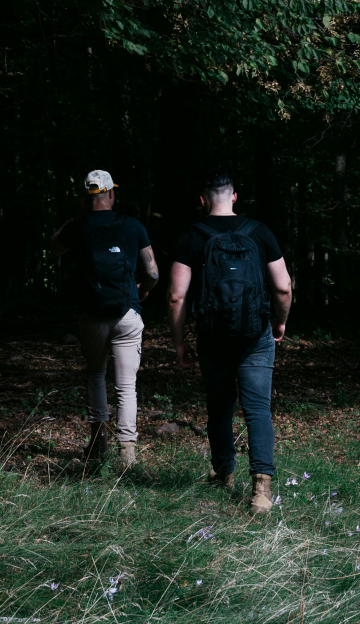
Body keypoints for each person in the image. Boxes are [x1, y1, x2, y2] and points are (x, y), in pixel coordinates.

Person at [166, 169, 292, 513]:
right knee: (257, 409)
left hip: (212, 336)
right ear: (234, 196)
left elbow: (177, 297)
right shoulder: (260, 232)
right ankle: (262, 491)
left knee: (220, 406)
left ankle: (224, 472)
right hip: (255, 335)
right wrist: (278, 323)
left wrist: (179, 342)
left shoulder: (192, 236)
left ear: (202, 200)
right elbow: (282, 287)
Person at [50, 170, 158, 469]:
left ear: (86, 198)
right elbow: (152, 273)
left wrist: (76, 218)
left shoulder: (78, 227)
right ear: (111, 193)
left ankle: (98, 443)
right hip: (126, 313)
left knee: (96, 375)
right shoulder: (132, 226)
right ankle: (127, 453)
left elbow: (54, 245)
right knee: (126, 385)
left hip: (91, 316)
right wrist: (144, 291)